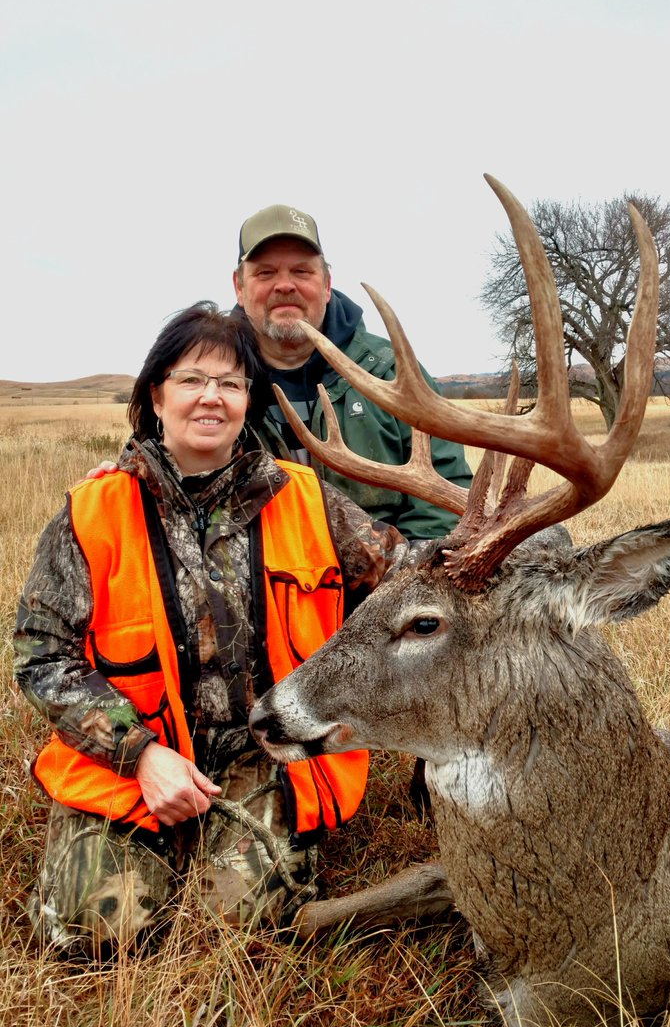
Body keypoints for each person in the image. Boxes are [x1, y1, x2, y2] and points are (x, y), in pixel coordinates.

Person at [14, 303, 406, 957]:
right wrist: (139, 755)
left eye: (229, 382)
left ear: (246, 401)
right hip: (134, 755)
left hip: (266, 751)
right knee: (97, 934)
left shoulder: (306, 499)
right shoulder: (94, 509)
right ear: (155, 395)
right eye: (191, 378)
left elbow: (405, 577)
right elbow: (41, 655)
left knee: (247, 928)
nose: (210, 397)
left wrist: (502, 557)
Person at [232, 204, 473, 541]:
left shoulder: (393, 372)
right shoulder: (211, 384)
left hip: (385, 580)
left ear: (327, 284)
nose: (284, 285)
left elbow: (445, 499)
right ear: (239, 287)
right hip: (258, 582)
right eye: (265, 273)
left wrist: (400, 578)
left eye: (302, 272)